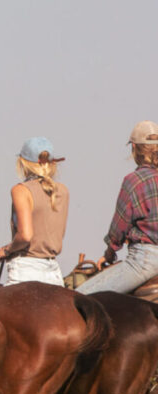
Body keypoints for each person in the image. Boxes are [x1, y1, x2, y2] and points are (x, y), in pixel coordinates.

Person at [77, 121, 158, 295]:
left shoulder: (134, 180)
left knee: (78, 298)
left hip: (145, 261)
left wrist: (110, 253)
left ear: (134, 148)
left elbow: (119, 228)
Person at [0, 137, 68, 287]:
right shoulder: (63, 190)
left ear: (23, 163)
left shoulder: (21, 190)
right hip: (54, 273)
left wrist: (6, 250)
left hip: (25, 270)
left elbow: (25, 236)